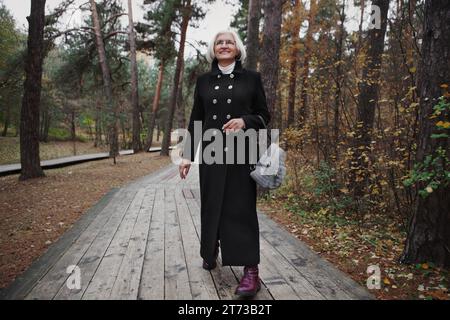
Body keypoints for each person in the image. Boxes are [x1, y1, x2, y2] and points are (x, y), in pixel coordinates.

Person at [179, 29, 271, 297]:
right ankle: (210, 250)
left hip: (242, 152)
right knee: (211, 203)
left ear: (237, 48)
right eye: (219, 42)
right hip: (211, 151)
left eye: (229, 42)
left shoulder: (251, 78)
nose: (224, 45)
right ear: (213, 49)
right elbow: (197, 118)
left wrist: (245, 121)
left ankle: (250, 270)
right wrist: (187, 155)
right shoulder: (203, 81)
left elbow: (265, 114)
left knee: (241, 208)